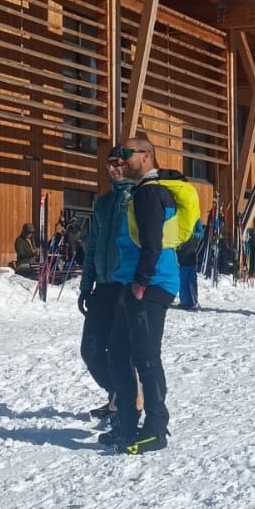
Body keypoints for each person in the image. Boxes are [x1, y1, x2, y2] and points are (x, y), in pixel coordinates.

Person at [105, 137, 180, 454]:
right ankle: (126, 421)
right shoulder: (139, 192)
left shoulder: (150, 193)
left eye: (126, 154)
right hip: (136, 282)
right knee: (118, 353)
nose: (121, 160)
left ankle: (155, 428)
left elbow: (152, 241)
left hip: (149, 285)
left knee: (145, 358)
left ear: (146, 156)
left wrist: (141, 281)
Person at [78, 145, 132, 420]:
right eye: (109, 163)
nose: (113, 168)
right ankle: (118, 392)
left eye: (119, 163)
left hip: (129, 286)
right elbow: (93, 247)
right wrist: (86, 285)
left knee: (123, 350)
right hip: (103, 286)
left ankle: (128, 405)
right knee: (91, 348)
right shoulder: (103, 202)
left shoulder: (139, 198)